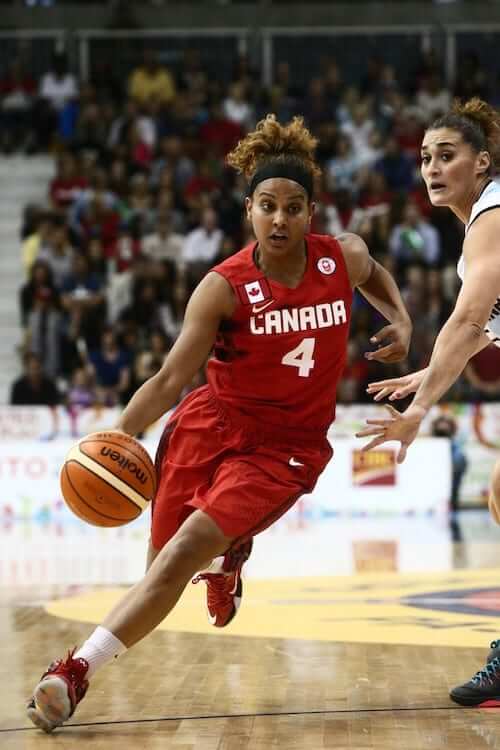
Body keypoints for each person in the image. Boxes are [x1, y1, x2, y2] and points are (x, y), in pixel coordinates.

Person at [26, 114, 412, 733]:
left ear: (310, 214)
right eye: (267, 207)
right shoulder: (223, 287)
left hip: (283, 448)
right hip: (211, 423)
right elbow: (171, 378)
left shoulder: (344, 258)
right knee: (158, 569)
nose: (280, 219)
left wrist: (402, 319)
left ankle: (74, 671)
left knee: (182, 553)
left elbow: (376, 277)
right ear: (249, 212)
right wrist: (118, 436)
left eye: (292, 207)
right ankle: (229, 559)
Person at [356, 97, 500, 707]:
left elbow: (469, 323)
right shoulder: (482, 222)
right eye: (424, 158)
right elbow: (482, 329)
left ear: (482, 162)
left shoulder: (493, 215)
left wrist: (418, 412)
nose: (432, 168)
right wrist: (428, 376)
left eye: (447, 155)